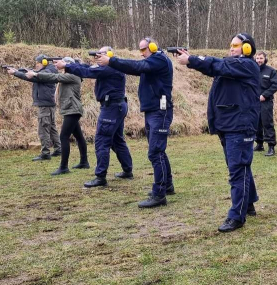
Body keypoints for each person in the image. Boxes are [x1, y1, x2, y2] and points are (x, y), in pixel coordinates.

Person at [176, 33, 260, 232]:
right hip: (229, 125)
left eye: (236, 45)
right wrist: (193, 60)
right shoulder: (232, 66)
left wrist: (192, 60)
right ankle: (248, 204)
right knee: (240, 166)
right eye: (230, 44)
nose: (231, 48)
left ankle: (236, 216)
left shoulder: (247, 65)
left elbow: (217, 65)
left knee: (237, 170)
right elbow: (215, 66)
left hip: (239, 125)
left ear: (247, 48)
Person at [94, 38, 174, 208]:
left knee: (155, 152)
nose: (142, 53)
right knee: (159, 151)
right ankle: (167, 185)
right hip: (154, 110)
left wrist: (111, 61)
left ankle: (159, 194)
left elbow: (137, 66)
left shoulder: (159, 59)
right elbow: (137, 66)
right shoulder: (154, 60)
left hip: (159, 111)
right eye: (140, 50)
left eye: (144, 49)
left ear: (153, 47)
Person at [56, 47, 134, 188]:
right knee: (117, 140)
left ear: (109, 56)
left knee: (102, 140)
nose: (98, 56)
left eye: (101, 54)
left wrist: (67, 66)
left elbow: (88, 72)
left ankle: (100, 177)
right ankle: (127, 170)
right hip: (116, 106)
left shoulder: (109, 68)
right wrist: (72, 65)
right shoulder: (111, 66)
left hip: (112, 107)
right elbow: (87, 67)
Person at [24, 57, 89, 176]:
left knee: (63, 136)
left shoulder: (72, 75)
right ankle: (84, 162)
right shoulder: (71, 75)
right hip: (71, 109)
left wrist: (36, 75)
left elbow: (54, 77)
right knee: (79, 136)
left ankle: (64, 167)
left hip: (72, 110)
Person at [7, 55, 62, 161]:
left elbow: (33, 76)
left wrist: (15, 73)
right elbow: (31, 74)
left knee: (43, 129)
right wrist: (18, 71)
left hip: (45, 105)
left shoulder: (45, 73)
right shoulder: (47, 70)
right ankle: (58, 149)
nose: (36, 65)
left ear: (44, 62)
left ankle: (45, 153)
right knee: (51, 128)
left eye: (38, 63)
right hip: (48, 104)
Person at [253, 51, 277, 156]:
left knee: (267, 123)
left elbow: (276, 85)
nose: (259, 60)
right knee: (256, 123)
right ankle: (259, 144)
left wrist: (265, 95)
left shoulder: (271, 71)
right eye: (257, 58)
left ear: (265, 59)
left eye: (261, 58)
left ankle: (271, 146)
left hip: (266, 102)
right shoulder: (252, 71)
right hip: (254, 102)